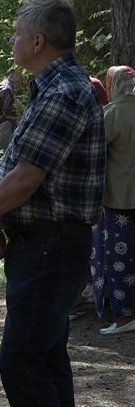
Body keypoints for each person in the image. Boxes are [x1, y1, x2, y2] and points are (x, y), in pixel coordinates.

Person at [0, 0, 105, 406]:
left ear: (37, 42)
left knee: (22, 361)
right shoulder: (57, 88)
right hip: (48, 243)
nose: (13, 40)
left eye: (17, 33)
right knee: (45, 356)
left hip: (50, 244)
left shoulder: (63, 92)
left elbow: (27, 178)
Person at [91, 65, 135, 335]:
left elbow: (93, 151)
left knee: (118, 261)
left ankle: (124, 317)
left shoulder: (113, 114)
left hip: (118, 200)